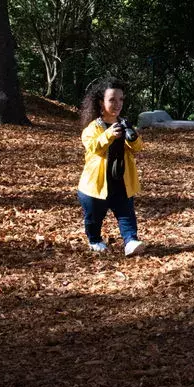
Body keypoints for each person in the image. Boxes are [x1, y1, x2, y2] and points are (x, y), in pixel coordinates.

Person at [77, 78, 147, 256]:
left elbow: (137, 148)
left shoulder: (124, 124)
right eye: (112, 100)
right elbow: (93, 148)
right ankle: (95, 240)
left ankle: (130, 241)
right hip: (96, 185)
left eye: (121, 100)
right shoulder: (93, 128)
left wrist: (132, 138)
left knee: (126, 215)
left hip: (121, 181)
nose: (118, 104)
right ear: (101, 102)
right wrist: (109, 135)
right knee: (94, 218)